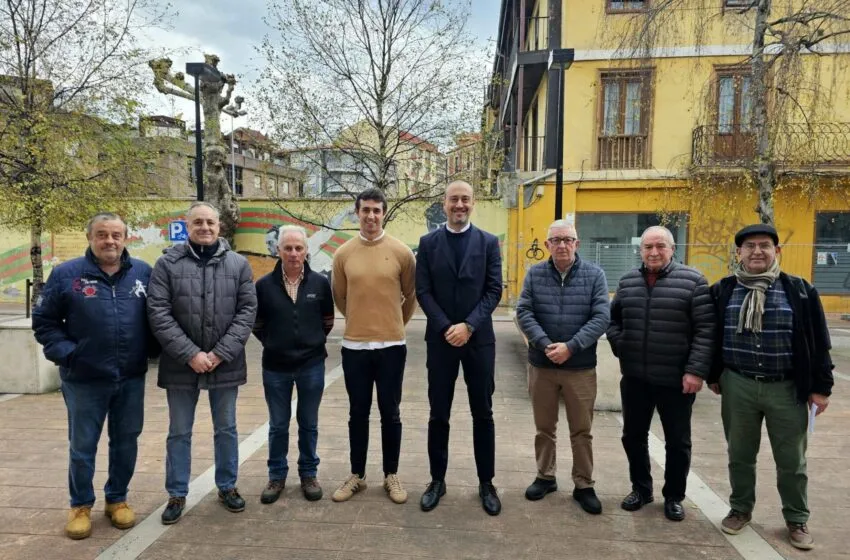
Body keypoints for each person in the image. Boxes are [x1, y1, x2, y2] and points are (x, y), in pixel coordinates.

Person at [708, 224, 833, 550]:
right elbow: (711, 336)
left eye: (764, 245)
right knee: (740, 454)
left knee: (792, 460)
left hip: (787, 388)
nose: (757, 252)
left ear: (777, 251)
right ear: (739, 253)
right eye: (749, 246)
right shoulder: (723, 290)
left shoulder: (800, 290)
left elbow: (819, 342)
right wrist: (713, 374)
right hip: (738, 385)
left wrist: (822, 387)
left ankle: (796, 518)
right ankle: (740, 509)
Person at [33, 212, 157, 539]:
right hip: (84, 379)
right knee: (83, 445)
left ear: (126, 238)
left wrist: (155, 351)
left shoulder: (143, 273)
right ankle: (80, 504)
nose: (110, 241)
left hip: (130, 377)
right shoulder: (66, 274)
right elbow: (44, 323)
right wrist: (69, 355)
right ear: (90, 238)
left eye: (116, 235)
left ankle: (117, 499)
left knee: (126, 441)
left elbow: (159, 317)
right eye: (102, 234)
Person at [147, 201, 257, 524]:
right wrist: (190, 354)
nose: (205, 228)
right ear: (187, 226)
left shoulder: (238, 265)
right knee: (179, 431)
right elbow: (158, 312)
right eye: (198, 222)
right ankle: (177, 492)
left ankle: (227, 486)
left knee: (227, 429)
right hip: (181, 365)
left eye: (210, 222)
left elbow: (247, 312)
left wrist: (220, 352)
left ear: (219, 226)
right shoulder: (167, 264)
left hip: (226, 363)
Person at [607, 225, 714, 522]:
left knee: (678, 442)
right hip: (635, 378)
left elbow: (706, 331)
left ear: (672, 249)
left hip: (676, 380)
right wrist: (621, 344)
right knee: (633, 436)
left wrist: (695, 371)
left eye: (660, 246)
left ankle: (674, 496)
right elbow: (613, 321)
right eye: (648, 247)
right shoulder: (628, 282)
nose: (654, 252)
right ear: (640, 250)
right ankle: (641, 489)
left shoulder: (693, 281)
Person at [415, 180, 504, 516]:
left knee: (483, 414)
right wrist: (446, 327)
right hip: (440, 342)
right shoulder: (428, 243)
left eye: (465, 199)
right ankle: (437, 480)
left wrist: (468, 325)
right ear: (445, 202)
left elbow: (494, 290)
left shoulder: (488, 243)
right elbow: (423, 291)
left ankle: (486, 482)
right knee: (439, 414)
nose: (459, 205)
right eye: (454, 199)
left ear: (473, 203)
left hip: (478, 341)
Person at [515, 220, 609, 515]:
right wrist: (545, 344)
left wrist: (571, 346)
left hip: (579, 367)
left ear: (577, 244)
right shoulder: (535, 274)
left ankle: (584, 483)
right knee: (544, 428)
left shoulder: (595, 275)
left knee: (581, 429)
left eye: (568, 239)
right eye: (556, 240)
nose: (562, 245)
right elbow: (524, 312)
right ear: (547, 245)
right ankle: (545, 476)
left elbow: (601, 316)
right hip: (542, 365)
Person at [330, 187, 416, 505]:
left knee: (390, 413)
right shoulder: (343, 254)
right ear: (357, 213)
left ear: (384, 213)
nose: (370, 216)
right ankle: (357, 475)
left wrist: (394, 324)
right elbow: (340, 297)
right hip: (355, 347)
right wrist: (360, 322)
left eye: (376, 210)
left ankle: (391, 475)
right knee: (358, 413)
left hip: (392, 346)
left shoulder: (402, 253)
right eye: (365, 210)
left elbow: (410, 296)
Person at [254, 225, 334, 504]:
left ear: (306, 250)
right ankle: (276, 476)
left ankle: (308, 474)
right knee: (278, 424)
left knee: (308, 423)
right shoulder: (263, 285)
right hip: (275, 367)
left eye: (298, 248)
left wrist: (310, 343)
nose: (293, 253)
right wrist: (275, 343)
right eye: (287, 248)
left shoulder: (320, 284)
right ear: (278, 251)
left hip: (311, 365)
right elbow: (257, 324)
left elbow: (327, 321)